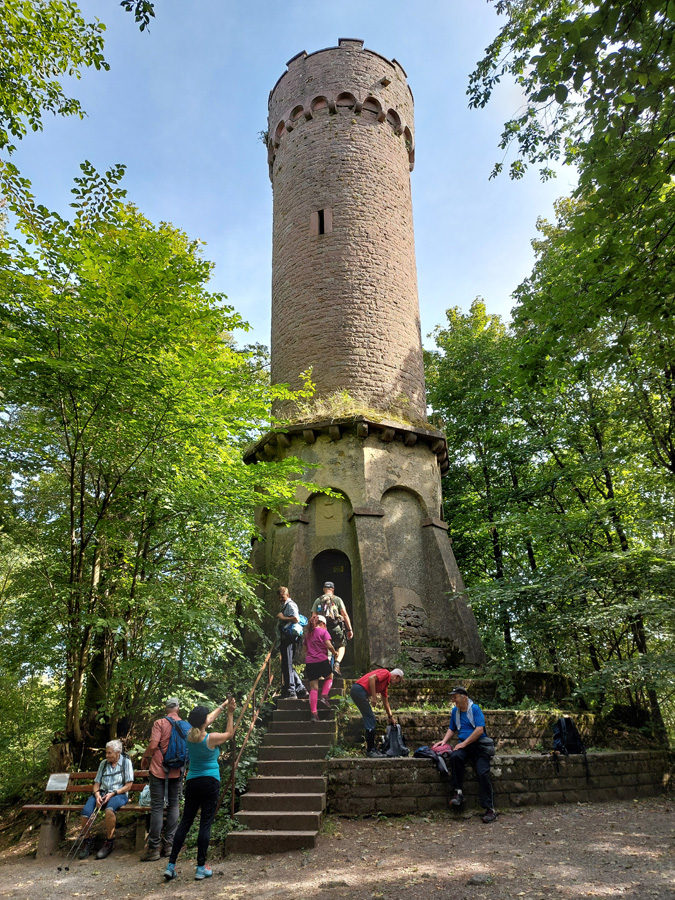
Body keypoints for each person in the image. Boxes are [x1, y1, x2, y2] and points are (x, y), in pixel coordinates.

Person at [164, 697, 236, 881]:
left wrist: (222, 705)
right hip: (210, 782)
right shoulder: (210, 738)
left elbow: (207, 719)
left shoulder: (189, 735)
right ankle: (200, 867)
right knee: (205, 824)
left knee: (185, 822)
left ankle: (171, 865)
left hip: (193, 782)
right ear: (205, 721)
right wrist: (230, 713)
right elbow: (229, 734)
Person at [432, 686, 497, 824]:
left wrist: (465, 743)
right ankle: (458, 793)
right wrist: (443, 742)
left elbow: (479, 730)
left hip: (478, 746)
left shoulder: (475, 709)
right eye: (453, 696)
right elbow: (452, 728)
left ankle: (490, 808)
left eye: (455, 696)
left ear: (464, 697)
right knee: (455, 757)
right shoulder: (455, 711)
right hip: (464, 746)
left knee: (482, 773)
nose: (453, 699)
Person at [139, 697, 189, 861]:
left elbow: (153, 746)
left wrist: (145, 757)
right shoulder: (185, 725)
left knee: (157, 807)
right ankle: (169, 846)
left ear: (165, 708)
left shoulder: (159, 723)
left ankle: (153, 849)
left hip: (159, 769)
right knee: (174, 805)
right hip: (177, 770)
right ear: (178, 708)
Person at [78, 739, 134, 860]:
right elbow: (96, 783)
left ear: (118, 752)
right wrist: (97, 795)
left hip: (119, 794)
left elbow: (129, 785)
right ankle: (87, 841)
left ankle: (109, 841)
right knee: (85, 813)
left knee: (109, 810)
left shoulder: (126, 763)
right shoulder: (103, 763)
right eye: (106, 753)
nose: (107, 755)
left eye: (109, 753)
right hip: (102, 793)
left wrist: (113, 793)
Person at [350, 667, 404, 757]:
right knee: (370, 718)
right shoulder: (386, 673)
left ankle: (372, 749)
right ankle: (370, 750)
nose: (397, 684)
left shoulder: (385, 686)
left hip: (359, 691)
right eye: (399, 681)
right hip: (359, 690)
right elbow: (371, 678)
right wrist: (374, 697)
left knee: (369, 718)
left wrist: (391, 717)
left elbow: (386, 703)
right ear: (397, 677)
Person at [311, 582, 353, 674]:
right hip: (336, 628)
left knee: (324, 647)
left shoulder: (318, 600)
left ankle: (325, 667)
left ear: (323, 589)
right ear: (333, 589)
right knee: (341, 645)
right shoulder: (337, 599)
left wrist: (313, 630)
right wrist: (349, 629)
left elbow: (314, 616)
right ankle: (337, 665)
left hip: (323, 629)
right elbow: (344, 614)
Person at [303, 613, 337, 722]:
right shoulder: (323, 632)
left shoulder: (308, 634)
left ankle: (314, 714)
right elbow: (328, 645)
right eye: (325, 625)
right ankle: (324, 696)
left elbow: (305, 648)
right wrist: (334, 652)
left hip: (310, 662)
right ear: (322, 623)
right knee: (329, 677)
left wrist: (310, 655)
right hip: (322, 660)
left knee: (313, 688)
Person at [277, 586, 308, 699]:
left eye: (283, 597)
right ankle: (300, 689)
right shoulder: (284, 605)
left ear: (288, 596)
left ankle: (291, 691)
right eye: (279, 598)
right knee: (286, 664)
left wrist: (282, 617)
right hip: (285, 638)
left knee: (287, 664)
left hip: (290, 638)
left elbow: (296, 619)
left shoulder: (290, 605)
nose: (281, 600)